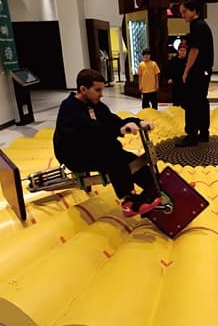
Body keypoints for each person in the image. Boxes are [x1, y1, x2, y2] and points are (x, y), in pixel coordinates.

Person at [53, 68, 159, 217]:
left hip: (93, 148)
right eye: (97, 90)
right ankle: (128, 201)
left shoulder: (96, 105)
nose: (101, 94)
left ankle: (154, 189)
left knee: (131, 160)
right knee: (114, 158)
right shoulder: (69, 108)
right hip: (74, 154)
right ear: (83, 89)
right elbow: (90, 130)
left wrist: (138, 122)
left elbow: (115, 121)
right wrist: (119, 130)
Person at [175, 0, 214, 147]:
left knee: (192, 102)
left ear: (193, 10)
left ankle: (192, 135)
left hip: (198, 71)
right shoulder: (201, 24)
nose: (182, 15)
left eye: (184, 11)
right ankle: (203, 133)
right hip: (204, 71)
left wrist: (186, 71)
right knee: (201, 101)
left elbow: (194, 51)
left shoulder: (197, 26)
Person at [165, 42, 188, 107]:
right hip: (175, 83)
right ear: (178, 51)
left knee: (185, 103)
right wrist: (169, 78)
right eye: (181, 50)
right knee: (176, 102)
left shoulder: (188, 60)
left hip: (185, 84)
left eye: (184, 51)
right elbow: (168, 70)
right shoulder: (173, 60)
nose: (182, 52)